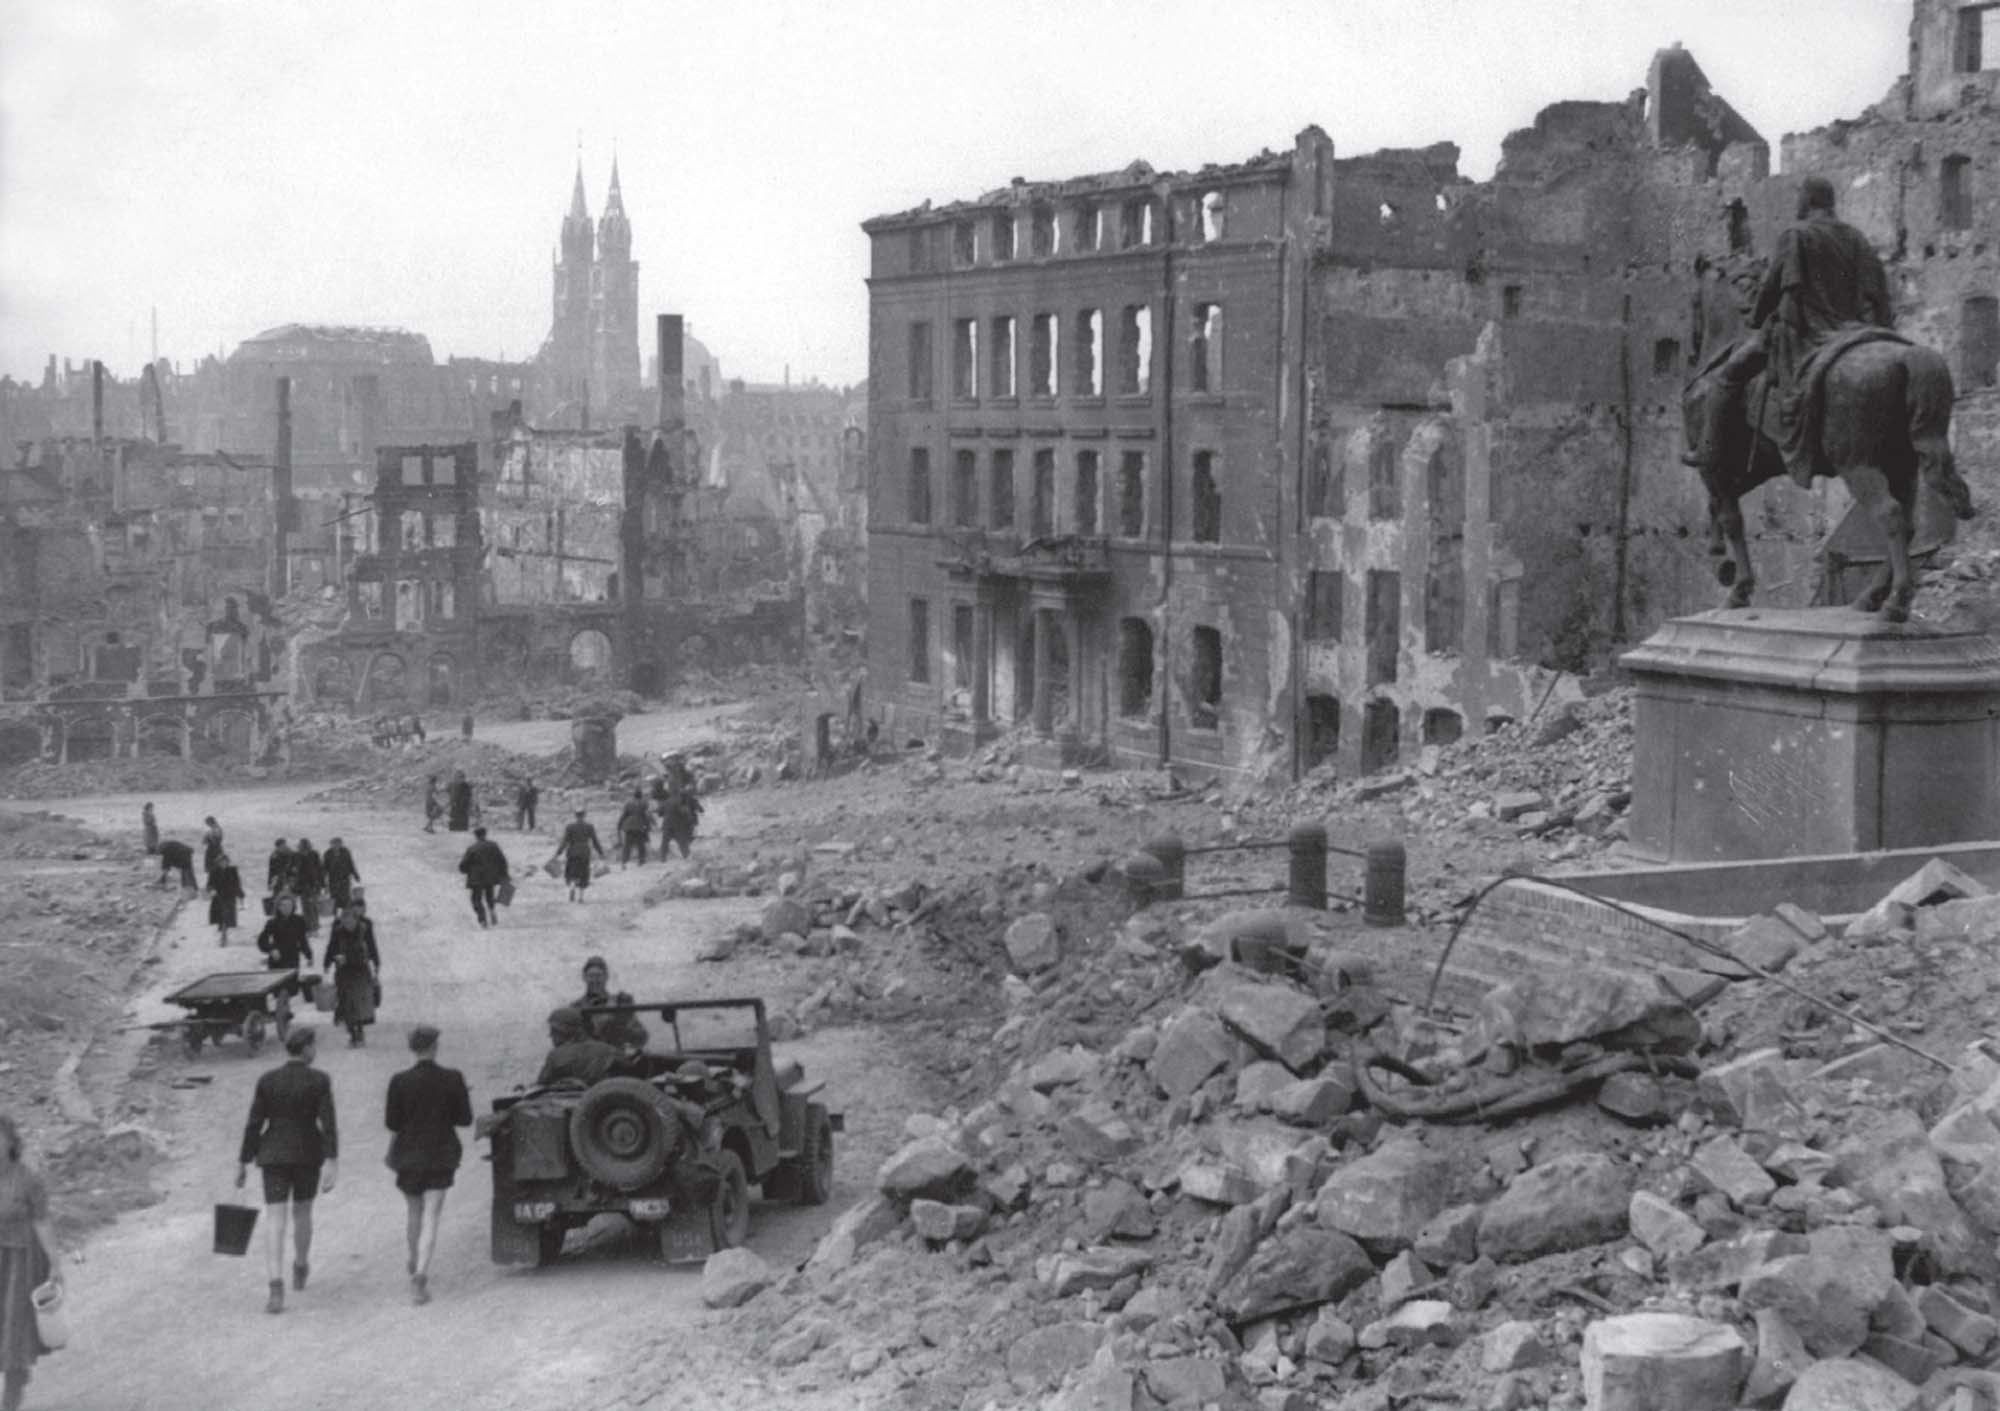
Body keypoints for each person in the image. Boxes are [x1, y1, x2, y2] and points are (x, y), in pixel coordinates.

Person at [1686, 175, 1893, 484]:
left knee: (1726, 378)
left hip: (1805, 336)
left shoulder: (1795, 235)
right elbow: (1874, 291)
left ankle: (1708, 453)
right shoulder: (1856, 238)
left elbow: (1771, 290)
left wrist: (1756, 316)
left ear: (1808, 201)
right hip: (1854, 333)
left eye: (1799, 197)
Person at [237, 1026, 336, 1315]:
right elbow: (328, 1124)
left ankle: (275, 1285)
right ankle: (301, 1264)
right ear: (305, 1049)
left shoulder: (268, 1080)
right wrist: (333, 1160)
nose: (315, 1051)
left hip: (273, 1156)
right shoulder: (319, 1080)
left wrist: (242, 1161)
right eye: (313, 1046)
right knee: (303, 1211)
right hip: (307, 1154)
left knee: (275, 1218)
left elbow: (254, 1124)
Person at [384, 1025, 471, 1306]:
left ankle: (413, 1256)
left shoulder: (399, 1081)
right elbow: (464, 1119)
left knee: (414, 1211)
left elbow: (392, 1123)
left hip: (407, 1155)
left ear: (412, 1049)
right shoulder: (453, 1078)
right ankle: (421, 1273)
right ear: (435, 1047)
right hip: (440, 1154)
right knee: (432, 1215)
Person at [0, 1114, 61, 1411]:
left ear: (11, 1142)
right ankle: (17, 1374)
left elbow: (42, 1221)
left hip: (19, 1264)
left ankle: (10, 1396)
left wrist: (55, 1263)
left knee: (13, 1331)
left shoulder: (27, 1179)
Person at [323, 901, 380, 1048]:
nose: (348, 925)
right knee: (346, 1004)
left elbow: (371, 946)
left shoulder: (363, 930)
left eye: (350, 922)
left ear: (356, 920)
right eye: (345, 922)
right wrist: (327, 963)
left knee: (359, 1006)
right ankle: (352, 1034)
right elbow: (331, 947)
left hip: (360, 972)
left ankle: (359, 1032)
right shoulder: (338, 932)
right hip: (344, 973)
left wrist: (376, 963)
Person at [572, 957, 647, 1052]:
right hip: (588, 1060)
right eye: (591, 976)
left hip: (615, 1058)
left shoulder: (619, 1004)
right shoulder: (575, 1008)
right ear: (584, 977)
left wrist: (624, 1018)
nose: (595, 980)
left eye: (599, 976)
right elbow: (571, 1042)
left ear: (606, 976)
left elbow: (640, 1039)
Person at [535, 1008, 618, 1087]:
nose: (550, 1036)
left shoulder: (556, 1055)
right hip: (603, 1099)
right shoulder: (610, 1050)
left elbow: (541, 1084)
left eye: (553, 1031)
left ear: (562, 1031)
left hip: (565, 1099)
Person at [457, 826, 510, 929]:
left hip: (476, 878)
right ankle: (491, 909)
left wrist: (465, 870)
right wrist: (504, 873)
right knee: (489, 895)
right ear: (485, 834)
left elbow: (463, 865)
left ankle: (482, 919)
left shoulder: (472, 848)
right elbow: (502, 860)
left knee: (476, 899)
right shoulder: (494, 846)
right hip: (490, 877)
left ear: (476, 836)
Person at [550, 809, 605, 904]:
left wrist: (557, 854)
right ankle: (581, 897)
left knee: (572, 872)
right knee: (584, 873)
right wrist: (601, 853)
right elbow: (595, 841)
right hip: (584, 853)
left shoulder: (570, 827)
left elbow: (564, 842)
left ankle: (572, 886)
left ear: (575, 816)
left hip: (572, 852)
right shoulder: (589, 827)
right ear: (584, 815)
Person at [659, 777, 703, 861]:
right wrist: (690, 822)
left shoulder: (666, 801)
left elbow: (660, 813)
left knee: (665, 843)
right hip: (678, 826)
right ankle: (687, 857)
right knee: (682, 843)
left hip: (667, 825)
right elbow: (685, 812)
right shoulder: (680, 801)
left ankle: (662, 859)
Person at [208, 851, 245, 947]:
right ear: (218, 862)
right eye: (221, 862)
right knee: (221, 917)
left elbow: (237, 883)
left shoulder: (233, 870)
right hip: (218, 896)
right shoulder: (214, 871)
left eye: (225, 861)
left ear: (228, 862)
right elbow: (209, 884)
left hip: (230, 896)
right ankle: (223, 934)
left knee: (226, 916)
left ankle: (224, 936)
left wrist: (240, 895)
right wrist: (211, 890)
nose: (223, 863)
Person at [293, 838, 325, 934]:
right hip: (302, 885)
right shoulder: (296, 856)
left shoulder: (314, 854)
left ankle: (314, 926)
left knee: (313, 906)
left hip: (314, 884)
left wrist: (322, 883)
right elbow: (293, 870)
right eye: (302, 847)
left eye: (305, 847)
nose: (304, 850)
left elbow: (320, 869)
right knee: (306, 907)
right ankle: (308, 927)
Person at [616, 789, 652, 868]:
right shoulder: (644, 803)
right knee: (640, 844)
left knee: (627, 845)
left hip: (629, 826)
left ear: (633, 795)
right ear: (641, 795)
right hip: (639, 826)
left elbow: (624, 815)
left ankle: (624, 861)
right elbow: (646, 816)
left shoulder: (628, 803)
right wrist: (648, 826)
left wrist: (619, 824)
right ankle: (641, 860)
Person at [322, 837, 360, 910]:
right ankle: (336, 917)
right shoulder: (328, 853)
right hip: (333, 880)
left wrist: (355, 875)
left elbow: (350, 864)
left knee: (346, 899)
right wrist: (323, 880)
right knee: (334, 899)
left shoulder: (345, 851)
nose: (336, 846)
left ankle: (346, 914)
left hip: (344, 879)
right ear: (331, 845)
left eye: (338, 844)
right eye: (334, 844)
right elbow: (325, 868)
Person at [201, 816, 224, 885]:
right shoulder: (217, 829)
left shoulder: (212, 830)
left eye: (207, 823)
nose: (207, 825)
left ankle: (213, 883)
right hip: (218, 849)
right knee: (217, 866)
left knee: (212, 867)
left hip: (212, 850)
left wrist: (208, 837)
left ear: (210, 822)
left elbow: (205, 841)